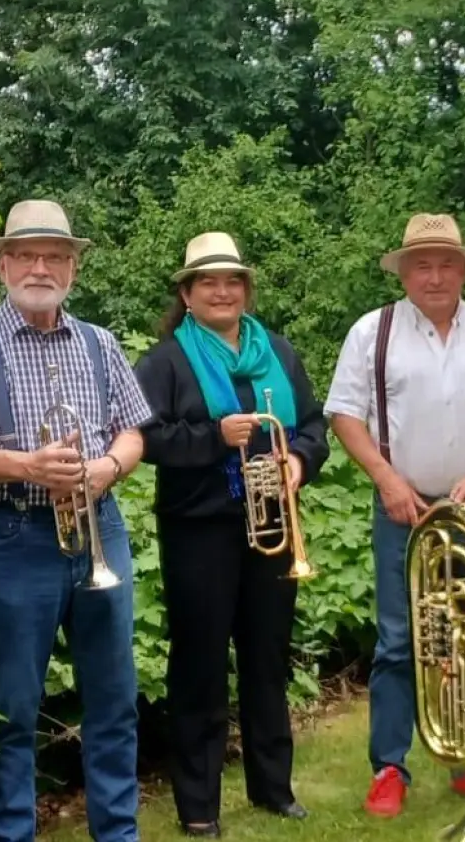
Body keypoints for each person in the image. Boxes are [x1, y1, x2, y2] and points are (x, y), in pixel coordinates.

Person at [0, 200, 154, 842]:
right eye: (27, 255)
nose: (41, 266)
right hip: (13, 535)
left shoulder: (101, 343)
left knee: (114, 699)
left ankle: (118, 833)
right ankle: (12, 835)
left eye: (54, 256)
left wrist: (108, 468)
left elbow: (132, 432)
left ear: (73, 268)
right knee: (12, 707)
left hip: (100, 525)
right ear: (3, 265)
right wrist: (24, 465)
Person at [324, 213, 465, 818]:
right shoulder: (372, 332)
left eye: (445, 263)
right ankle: (390, 767)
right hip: (404, 505)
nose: (434, 275)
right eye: (421, 264)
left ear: (463, 270)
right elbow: (345, 414)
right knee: (402, 640)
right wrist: (386, 478)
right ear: (403, 272)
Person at [133, 231, 330, 837]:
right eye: (208, 282)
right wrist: (213, 437)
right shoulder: (165, 360)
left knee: (267, 658)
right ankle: (198, 804)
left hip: (272, 524)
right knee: (200, 663)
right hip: (200, 529)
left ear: (245, 290)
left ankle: (274, 789)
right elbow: (145, 438)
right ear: (187, 294)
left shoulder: (277, 350)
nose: (222, 291)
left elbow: (314, 425)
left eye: (232, 281)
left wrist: (299, 461)